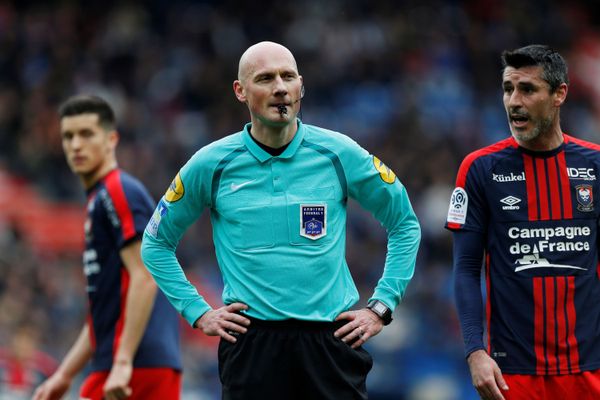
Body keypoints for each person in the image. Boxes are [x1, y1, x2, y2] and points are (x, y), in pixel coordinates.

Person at [141, 41, 421, 399]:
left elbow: (404, 223)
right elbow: (155, 243)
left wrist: (381, 306)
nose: (279, 88)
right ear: (240, 91)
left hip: (331, 341)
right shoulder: (211, 164)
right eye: (265, 78)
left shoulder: (339, 154)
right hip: (252, 345)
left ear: (300, 86)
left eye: (288, 77)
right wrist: (198, 312)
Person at [446, 44, 600, 400]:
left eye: (527, 89)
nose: (514, 101)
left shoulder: (594, 166)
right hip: (513, 372)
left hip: (590, 368)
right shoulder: (480, 169)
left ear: (559, 94)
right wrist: (474, 350)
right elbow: (466, 268)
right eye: (508, 88)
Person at [33, 95, 182, 400]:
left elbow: (145, 276)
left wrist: (124, 360)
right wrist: (64, 375)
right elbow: (101, 317)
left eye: (86, 134)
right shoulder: (97, 201)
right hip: (119, 363)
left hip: (137, 365)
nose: (76, 145)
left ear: (111, 139)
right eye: (68, 136)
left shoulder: (119, 191)